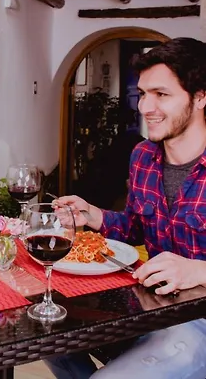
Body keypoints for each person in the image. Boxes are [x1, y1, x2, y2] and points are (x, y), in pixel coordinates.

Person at [46, 37, 206, 379]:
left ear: (200, 97)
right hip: (149, 309)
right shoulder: (143, 156)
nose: (146, 106)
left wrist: (198, 271)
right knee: (49, 333)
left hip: (199, 324)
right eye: (144, 93)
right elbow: (135, 227)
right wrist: (93, 215)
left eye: (161, 94)